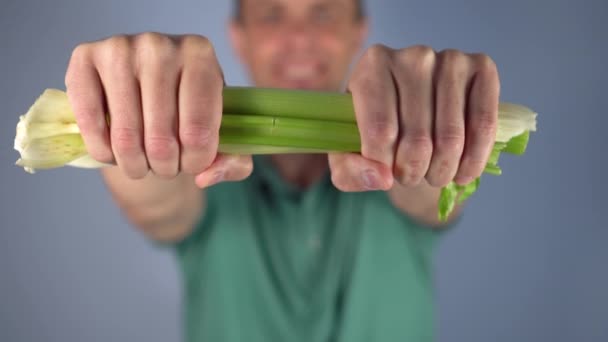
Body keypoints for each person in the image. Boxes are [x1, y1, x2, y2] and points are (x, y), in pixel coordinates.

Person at [63, 0, 499, 340]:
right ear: (239, 38)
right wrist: (132, 120)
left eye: (323, 12)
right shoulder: (200, 171)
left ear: (358, 33)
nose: (299, 37)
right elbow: (156, 205)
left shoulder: (406, 155)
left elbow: (432, 190)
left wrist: (440, 129)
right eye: (272, 15)